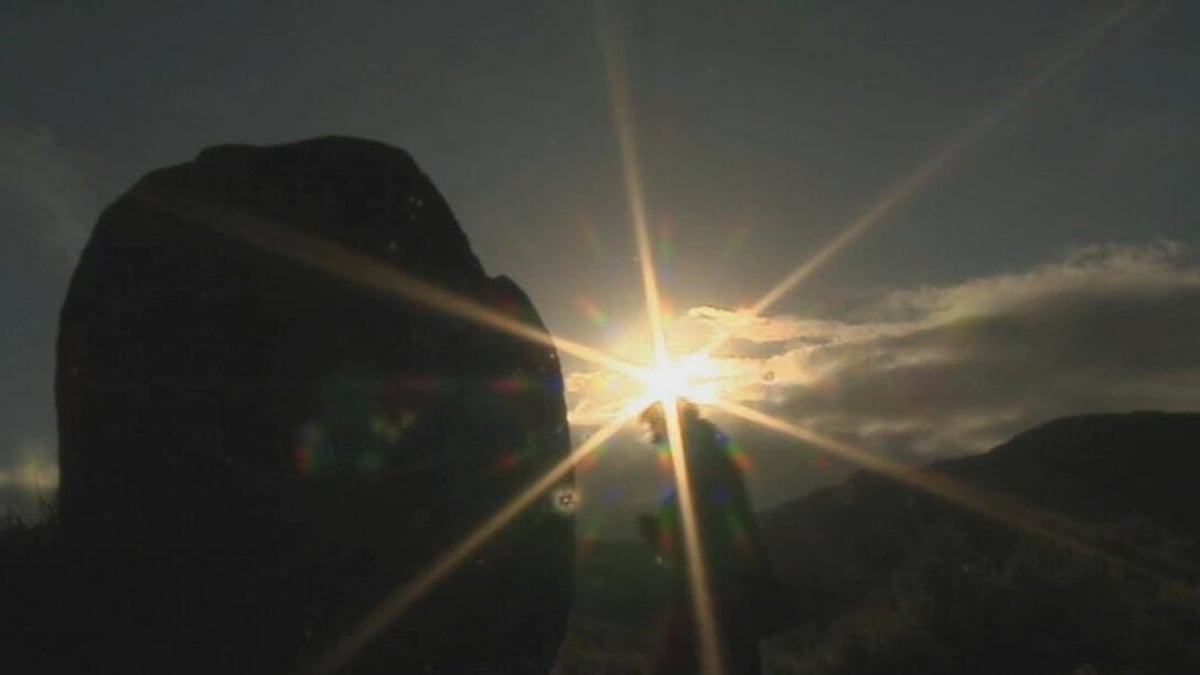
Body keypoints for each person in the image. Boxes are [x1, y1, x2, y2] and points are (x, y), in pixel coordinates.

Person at [637, 399, 792, 675]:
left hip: (715, 582)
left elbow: (699, 521)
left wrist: (660, 534)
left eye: (655, 431)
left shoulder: (698, 459)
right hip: (727, 579)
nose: (654, 440)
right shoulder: (707, 449)